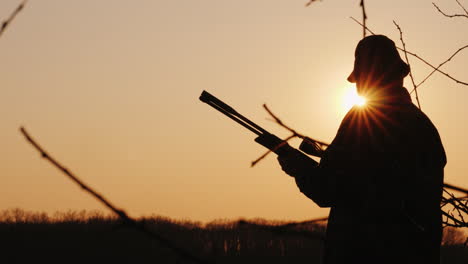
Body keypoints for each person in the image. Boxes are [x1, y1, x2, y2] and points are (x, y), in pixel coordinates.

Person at [277, 35, 446, 264]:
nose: (358, 86)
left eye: (361, 78)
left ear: (368, 77)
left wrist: (299, 169)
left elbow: (328, 188)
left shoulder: (362, 120)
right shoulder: (422, 125)